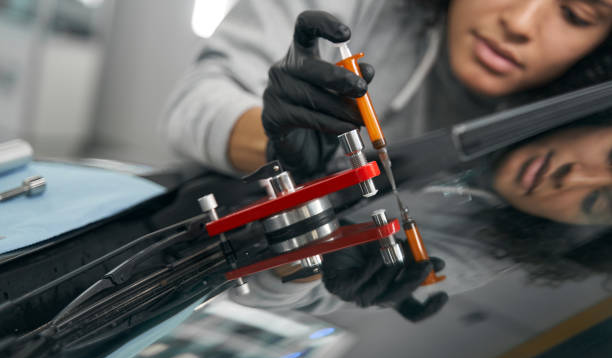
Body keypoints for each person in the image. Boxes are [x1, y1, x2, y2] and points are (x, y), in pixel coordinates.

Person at [161, 0, 612, 320]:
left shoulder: (510, 237)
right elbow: (192, 105)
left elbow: (280, 295)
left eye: (576, 16)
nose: (520, 21)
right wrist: (273, 144)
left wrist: (305, 263)